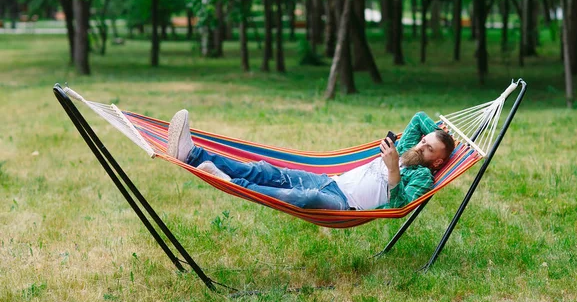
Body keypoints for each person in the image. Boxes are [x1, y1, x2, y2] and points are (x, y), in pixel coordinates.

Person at [167, 110, 455, 210]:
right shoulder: (408, 147)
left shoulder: (422, 177)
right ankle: (192, 154)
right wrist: (442, 131)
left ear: (438, 163)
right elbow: (418, 118)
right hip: (329, 181)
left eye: (429, 149)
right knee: (266, 170)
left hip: (345, 204)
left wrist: (394, 170)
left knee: (301, 198)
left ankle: (231, 181)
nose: (421, 146)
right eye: (424, 141)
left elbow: (398, 208)